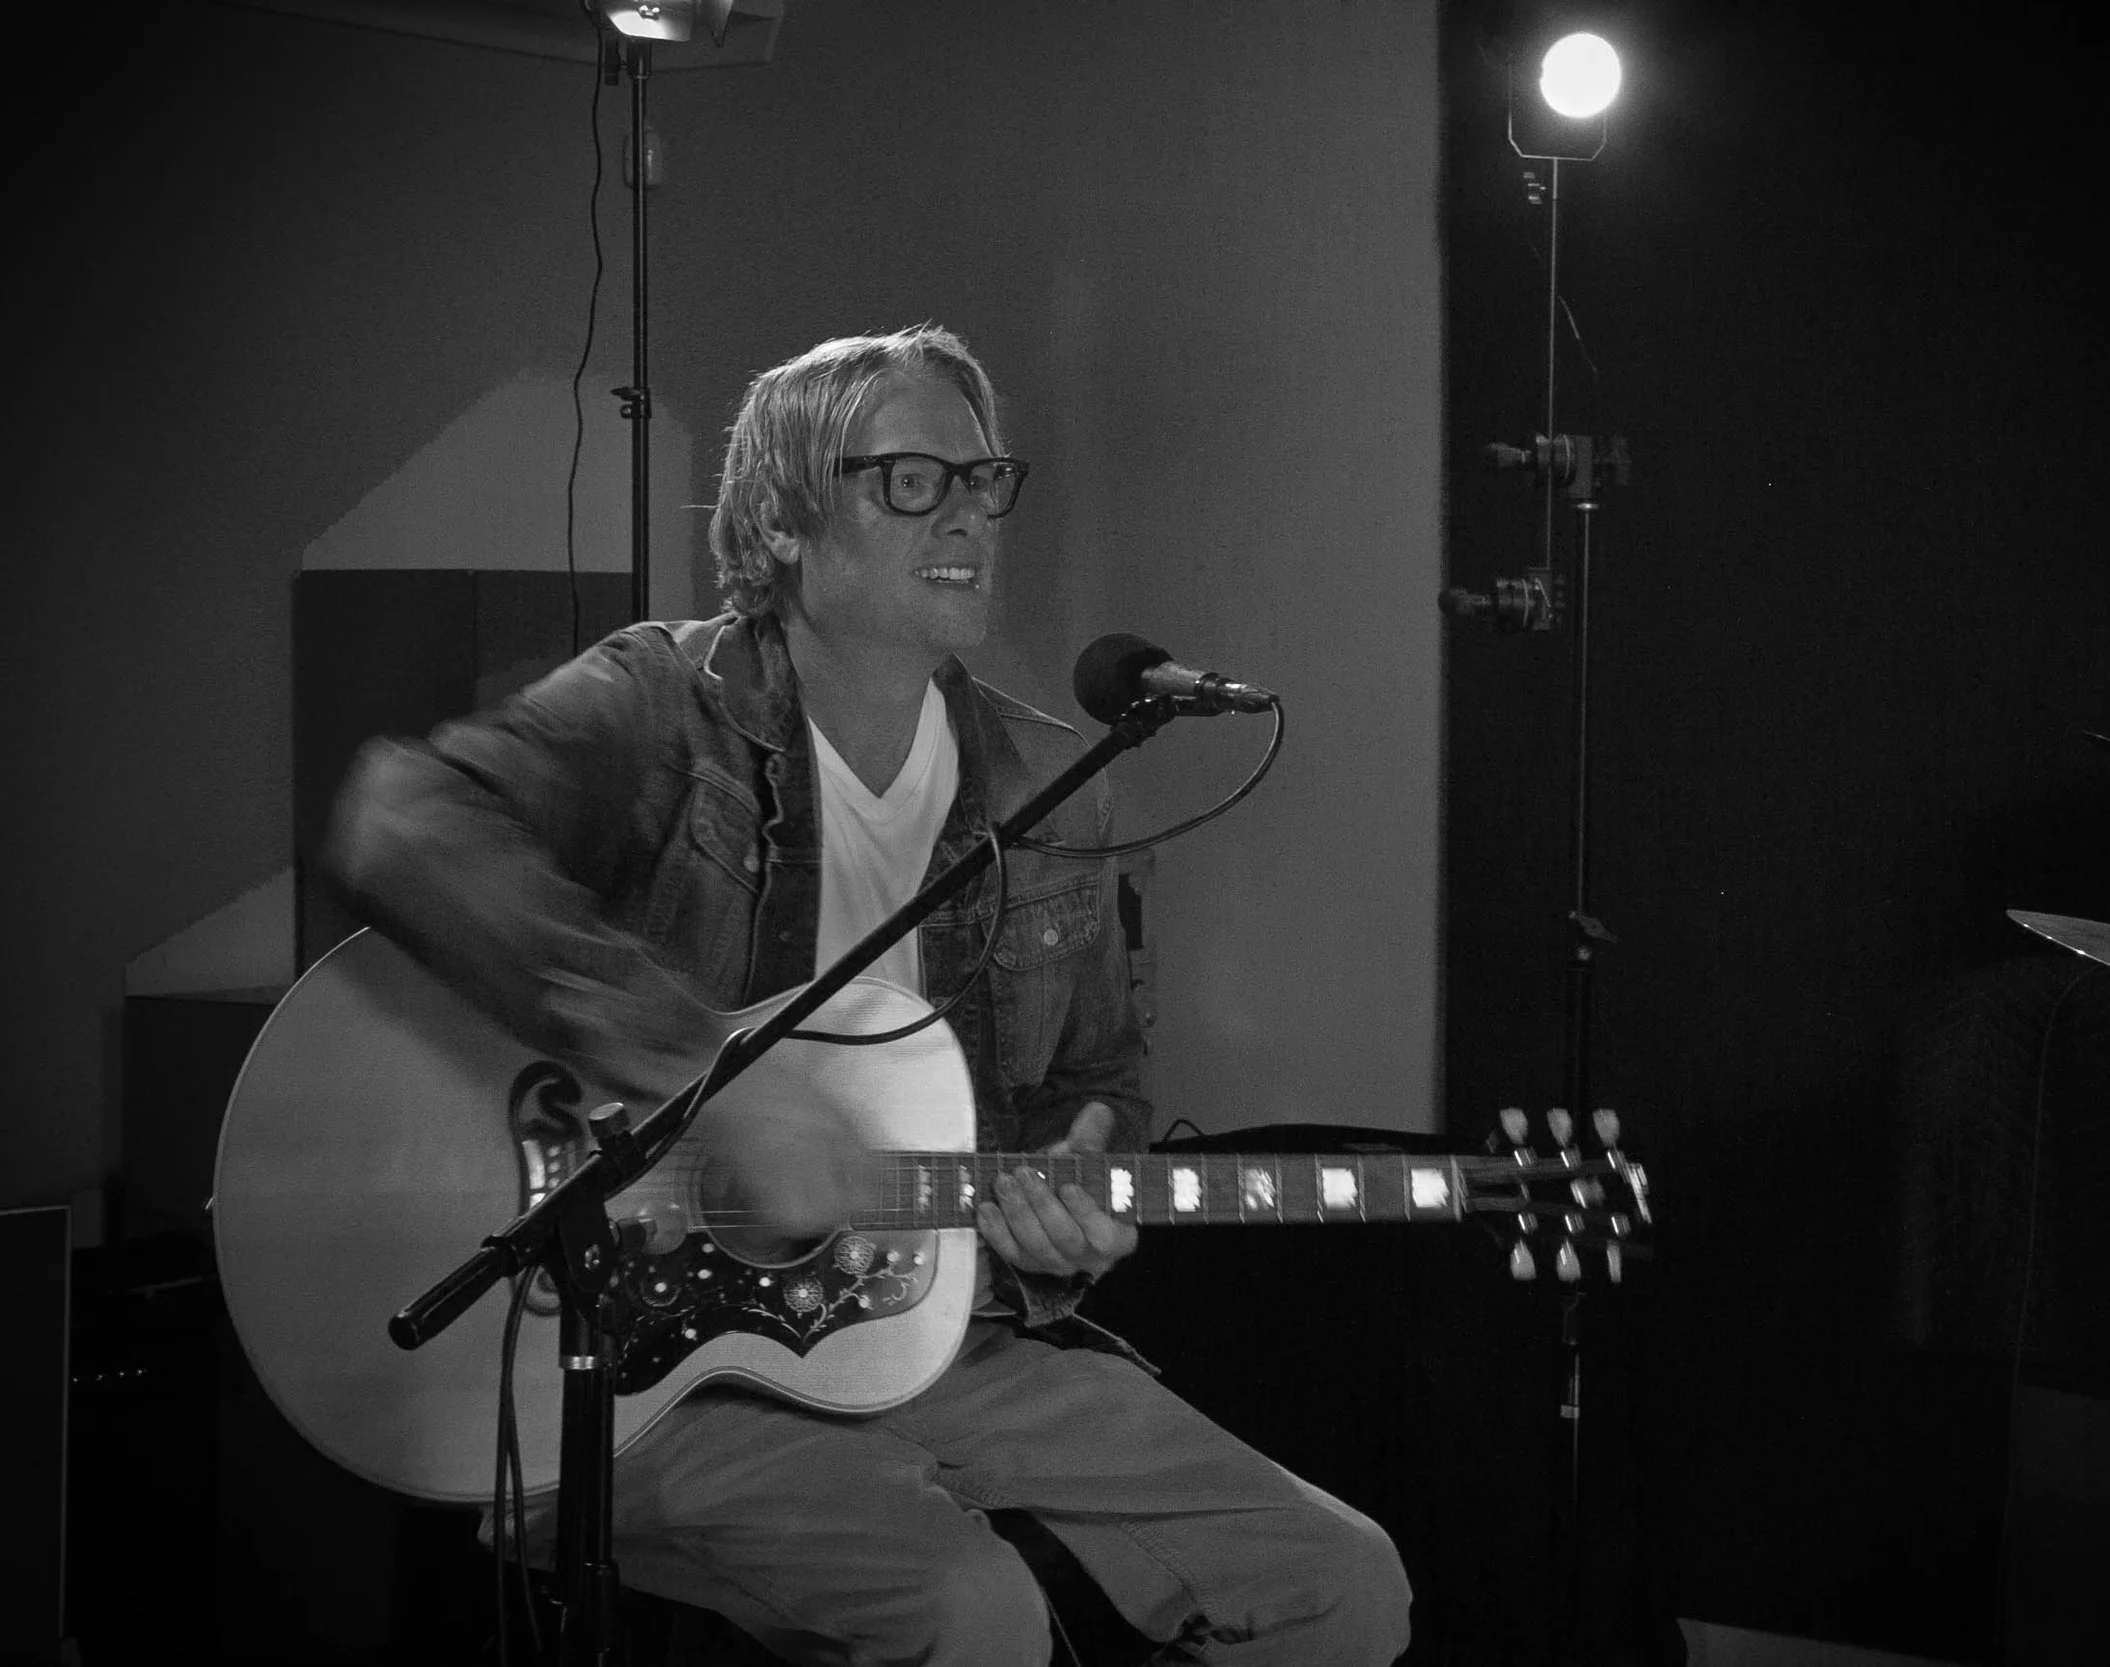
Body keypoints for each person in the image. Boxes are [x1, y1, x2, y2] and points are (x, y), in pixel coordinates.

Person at [325, 324, 1412, 1665]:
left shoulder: (1045, 787)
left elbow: (1103, 1083)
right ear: (784, 520)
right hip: (636, 1369)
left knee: (1343, 1580)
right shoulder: (662, 706)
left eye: (984, 478)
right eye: (913, 477)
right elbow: (403, 820)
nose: (968, 513)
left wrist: (1078, 1178)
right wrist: (692, 1078)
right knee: (969, 1609)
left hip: (943, 1336)